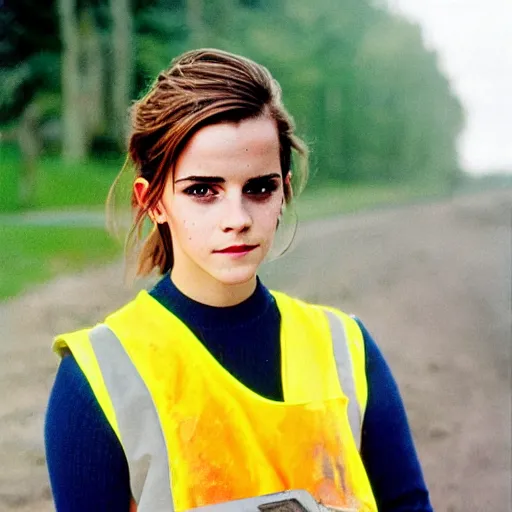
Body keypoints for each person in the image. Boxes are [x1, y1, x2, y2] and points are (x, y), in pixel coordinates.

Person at [45, 48, 433, 512]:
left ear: (284, 191)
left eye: (259, 188)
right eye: (202, 191)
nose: (238, 218)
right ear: (153, 202)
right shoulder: (98, 376)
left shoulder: (345, 349)